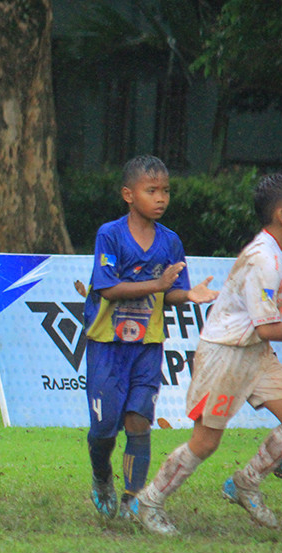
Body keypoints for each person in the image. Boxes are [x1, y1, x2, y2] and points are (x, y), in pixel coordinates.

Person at [131, 173, 282, 535]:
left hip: (254, 352)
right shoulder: (264, 260)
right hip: (226, 355)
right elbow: (266, 327)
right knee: (206, 441)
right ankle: (148, 500)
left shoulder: (277, 251)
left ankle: (245, 482)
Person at [84, 155, 218, 520]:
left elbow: (170, 292)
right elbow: (108, 289)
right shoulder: (109, 234)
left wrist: (186, 295)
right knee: (103, 430)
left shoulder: (170, 241)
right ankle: (101, 477)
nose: (161, 198)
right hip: (107, 345)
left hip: (147, 345)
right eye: (151, 190)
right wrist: (158, 285)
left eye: (166, 191)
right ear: (129, 194)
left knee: (139, 421)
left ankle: (132, 498)